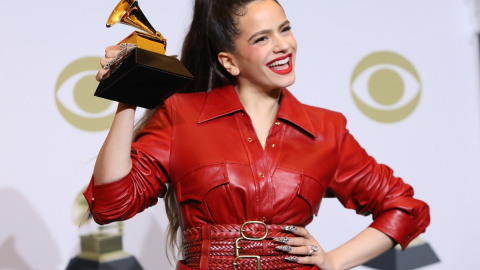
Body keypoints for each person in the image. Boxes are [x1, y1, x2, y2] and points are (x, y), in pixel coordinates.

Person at [84, 0, 430, 269]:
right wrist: (128, 95)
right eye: (262, 38)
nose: (283, 45)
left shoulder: (327, 130)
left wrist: (336, 261)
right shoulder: (181, 114)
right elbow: (111, 204)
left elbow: (405, 207)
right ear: (229, 61)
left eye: (285, 29)